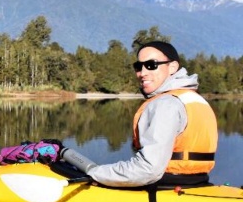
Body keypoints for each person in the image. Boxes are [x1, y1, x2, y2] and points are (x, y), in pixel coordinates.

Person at [43, 41, 218, 188]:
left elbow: (148, 169)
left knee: (61, 168)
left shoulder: (167, 103)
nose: (142, 73)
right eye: (138, 66)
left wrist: (96, 173)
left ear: (172, 67)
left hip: (164, 184)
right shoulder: (193, 98)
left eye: (152, 65)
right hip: (196, 181)